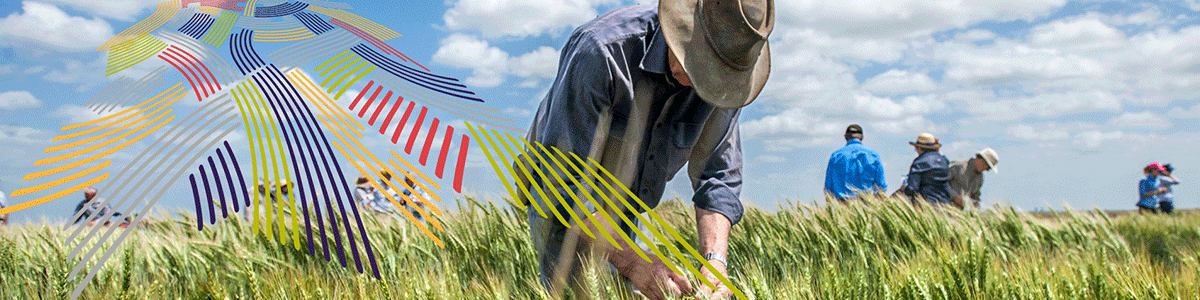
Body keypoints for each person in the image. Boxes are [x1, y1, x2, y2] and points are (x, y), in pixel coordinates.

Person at [518, 0, 774, 298]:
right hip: (565, 207)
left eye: (716, 75)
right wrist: (634, 263)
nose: (703, 85)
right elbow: (562, 183)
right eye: (699, 64)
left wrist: (714, 263)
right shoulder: (602, 51)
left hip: (630, 206)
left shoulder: (725, 81)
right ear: (679, 30)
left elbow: (718, 177)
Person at [823, 124, 886, 202]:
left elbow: (828, 187)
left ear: (845, 137)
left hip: (843, 205)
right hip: (867, 205)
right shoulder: (873, 155)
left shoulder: (835, 156)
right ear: (862, 138)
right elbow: (881, 186)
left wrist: (830, 209)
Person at [900, 133, 953, 206]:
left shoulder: (919, 162)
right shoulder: (944, 161)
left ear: (920, 148)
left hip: (926, 207)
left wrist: (905, 189)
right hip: (945, 206)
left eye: (916, 148)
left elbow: (912, 189)